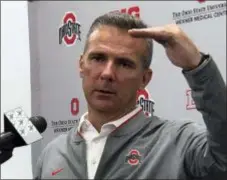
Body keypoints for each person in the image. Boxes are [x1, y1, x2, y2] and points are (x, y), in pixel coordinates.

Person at [34, 12, 227, 179]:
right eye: (98, 58)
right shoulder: (53, 154)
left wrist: (197, 66)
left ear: (145, 78)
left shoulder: (178, 142)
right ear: (81, 65)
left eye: (124, 63)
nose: (107, 73)